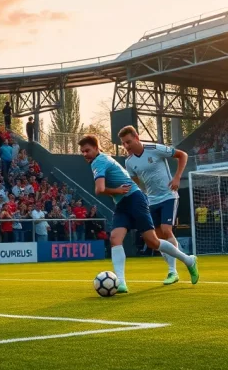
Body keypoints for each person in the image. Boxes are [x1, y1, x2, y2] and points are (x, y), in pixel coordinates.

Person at [78, 134, 198, 294]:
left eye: (87, 150)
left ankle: (188, 260)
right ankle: (121, 283)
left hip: (134, 199)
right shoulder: (104, 160)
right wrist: (118, 192)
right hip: (122, 203)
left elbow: (99, 190)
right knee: (115, 238)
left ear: (96, 148)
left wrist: (116, 191)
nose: (85, 154)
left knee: (153, 242)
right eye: (82, 152)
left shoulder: (98, 161)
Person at [119, 126, 189, 285]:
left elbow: (182, 155)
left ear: (136, 137)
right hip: (151, 201)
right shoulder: (129, 162)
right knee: (156, 238)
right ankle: (177, 268)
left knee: (166, 230)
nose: (127, 146)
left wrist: (177, 177)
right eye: (124, 144)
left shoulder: (155, 148)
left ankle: (173, 270)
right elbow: (135, 182)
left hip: (169, 195)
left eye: (128, 142)